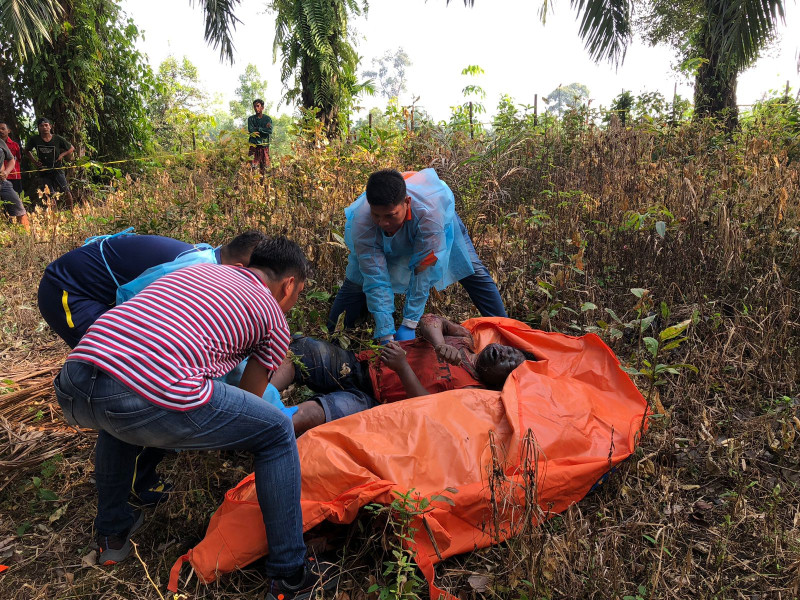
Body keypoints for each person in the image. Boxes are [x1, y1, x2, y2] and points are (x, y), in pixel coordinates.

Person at [53, 238, 338, 597]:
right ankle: (290, 577)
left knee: (120, 419)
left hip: (75, 381)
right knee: (276, 431)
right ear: (290, 285)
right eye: (298, 293)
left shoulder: (197, 270)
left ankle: (112, 535)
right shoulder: (273, 317)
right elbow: (251, 402)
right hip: (137, 395)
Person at [271, 313, 536, 436]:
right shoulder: (465, 339)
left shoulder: (473, 392)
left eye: (509, 364)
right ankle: (256, 400)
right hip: (357, 365)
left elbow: (426, 409)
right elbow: (430, 320)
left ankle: (263, 425)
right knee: (299, 352)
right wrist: (439, 344)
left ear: (501, 382)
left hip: (372, 404)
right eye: (509, 351)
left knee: (311, 415)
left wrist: (402, 367)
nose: (504, 354)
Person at [327, 168, 507, 344]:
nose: (383, 223)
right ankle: (333, 338)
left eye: (390, 215)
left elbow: (424, 270)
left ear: (407, 202)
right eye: (377, 215)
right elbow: (375, 278)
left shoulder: (431, 215)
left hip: (439, 223)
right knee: (357, 280)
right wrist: (385, 333)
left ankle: (507, 332)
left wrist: (410, 323)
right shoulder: (363, 222)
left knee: (471, 269)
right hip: (399, 228)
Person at [25, 117, 75, 208]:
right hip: (44, 170)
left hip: (57, 168)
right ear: (38, 128)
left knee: (66, 190)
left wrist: (62, 155)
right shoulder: (35, 139)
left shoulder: (57, 138)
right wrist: (34, 162)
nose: (44, 127)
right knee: (49, 193)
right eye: (41, 126)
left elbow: (71, 148)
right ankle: (54, 215)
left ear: (50, 127)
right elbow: (26, 150)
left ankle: (71, 211)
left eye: (46, 125)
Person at [0, 128, 29, 231]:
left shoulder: (1, 142)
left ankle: (27, 238)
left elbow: (11, 159)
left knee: (19, 209)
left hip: (2, 182)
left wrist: (6, 172)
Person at [247, 99, 273, 175]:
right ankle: (251, 184)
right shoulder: (251, 119)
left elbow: (270, 131)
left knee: (264, 167)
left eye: (258, 106)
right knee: (251, 167)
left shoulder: (267, 119)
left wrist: (258, 129)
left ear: (262, 107)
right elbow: (251, 131)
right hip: (254, 145)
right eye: (254, 106)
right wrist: (264, 129)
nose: (256, 108)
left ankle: (263, 184)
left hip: (264, 145)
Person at [0, 122, 23, 195]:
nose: (0, 131)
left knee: (17, 197)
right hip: (1, 176)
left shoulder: (15, 145)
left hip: (14, 175)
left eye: (3, 129)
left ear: (8, 131)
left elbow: (19, 159)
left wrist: (8, 170)